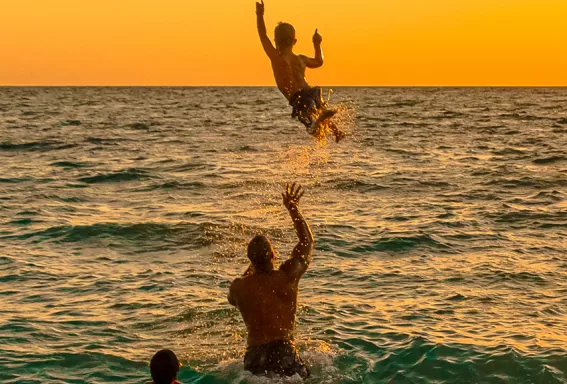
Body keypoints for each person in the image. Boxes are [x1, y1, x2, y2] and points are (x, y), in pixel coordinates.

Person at [228, 183, 314, 378]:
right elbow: (307, 242)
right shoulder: (287, 277)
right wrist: (293, 209)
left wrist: (253, 267)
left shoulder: (239, 287)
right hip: (283, 351)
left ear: (250, 260)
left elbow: (233, 299)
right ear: (273, 255)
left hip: (254, 355)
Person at [255, 0, 346, 143]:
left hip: (299, 97)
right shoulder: (300, 59)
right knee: (315, 110)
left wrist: (259, 14)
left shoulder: (276, 57)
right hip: (304, 95)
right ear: (295, 41)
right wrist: (317, 44)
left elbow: (262, 36)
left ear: (275, 41)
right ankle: (332, 130)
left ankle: (323, 128)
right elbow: (319, 61)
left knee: (313, 113)